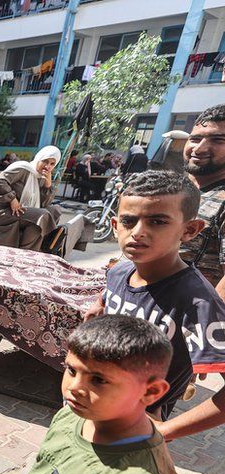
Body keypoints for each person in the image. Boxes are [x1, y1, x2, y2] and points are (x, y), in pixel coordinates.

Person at [0, 315, 188, 474]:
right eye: (71, 370)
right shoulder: (71, 417)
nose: (74, 388)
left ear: (151, 392)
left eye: (98, 380)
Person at [85, 171, 225, 426]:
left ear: (190, 230)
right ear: (115, 226)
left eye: (157, 222)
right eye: (129, 221)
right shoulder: (119, 271)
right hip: (93, 409)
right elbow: (109, 296)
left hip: (135, 429)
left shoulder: (198, 302)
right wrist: (99, 305)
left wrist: (166, 431)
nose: (138, 232)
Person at [179, 104, 225, 299]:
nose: (199, 148)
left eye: (217, 140)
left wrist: (207, 324)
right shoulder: (176, 188)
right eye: (195, 138)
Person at [0, 146, 62, 251]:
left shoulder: (39, 176)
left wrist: (48, 185)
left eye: (52, 164)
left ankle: (28, 250)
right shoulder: (22, 168)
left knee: (55, 210)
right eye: (45, 161)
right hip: (5, 213)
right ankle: (26, 253)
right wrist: (12, 199)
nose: (47, 166)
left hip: (21, 212)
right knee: (43, 215)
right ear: (39, 158)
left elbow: (44, 204)